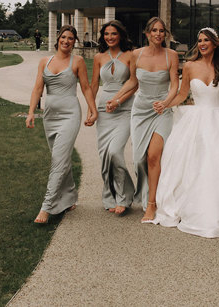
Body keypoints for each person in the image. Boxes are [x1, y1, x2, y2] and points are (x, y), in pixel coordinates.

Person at [150, 28, 219, 238]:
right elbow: (183, 94)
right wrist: (165, 104)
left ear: (214, 44)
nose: (202, 44)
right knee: (194, 162)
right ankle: (197, 206)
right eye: (199, 40)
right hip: (196, 121)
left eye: (206, 40)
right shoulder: (191, 66)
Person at [107, 17, 179, 222]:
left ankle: (151, 204)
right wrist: (116, 99)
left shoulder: (171, 55)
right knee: (139, 159)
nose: (158, 34)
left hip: (161, 111)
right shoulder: (135, 55)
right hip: (140, 111)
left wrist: (166, 102)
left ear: (165, 34)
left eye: (162, 31)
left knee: (153, 156)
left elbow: (175, 84)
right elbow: (132, 82)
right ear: (147, 34)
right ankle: (146, 194)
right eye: (154, 30)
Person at [26, 25, 98, 224]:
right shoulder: (44, 61)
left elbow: (85, 87)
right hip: (50, 116)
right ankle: (69, 198)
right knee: (61, 159)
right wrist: (31, 112)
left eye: (71, 38)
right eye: (64, 37)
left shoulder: (78, 61)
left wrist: (93, 109)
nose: (66, 41)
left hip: (70, 115)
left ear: (75, 42)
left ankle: (47, 207)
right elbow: (37, 89)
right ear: (58, 38)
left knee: (58, 160)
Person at [90, 20, 136, 215]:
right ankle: (110, 195)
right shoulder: (99, 57)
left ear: (120, 36)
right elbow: (93, 85)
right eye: (107, 34)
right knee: (105, 156)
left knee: (115, 151)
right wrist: (91, 111)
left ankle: (125, 196)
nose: (110, 37)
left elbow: (135, 82)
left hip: (124, 108)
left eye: (114, 34)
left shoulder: (130, 56)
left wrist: (118, 100)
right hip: (103, 110)